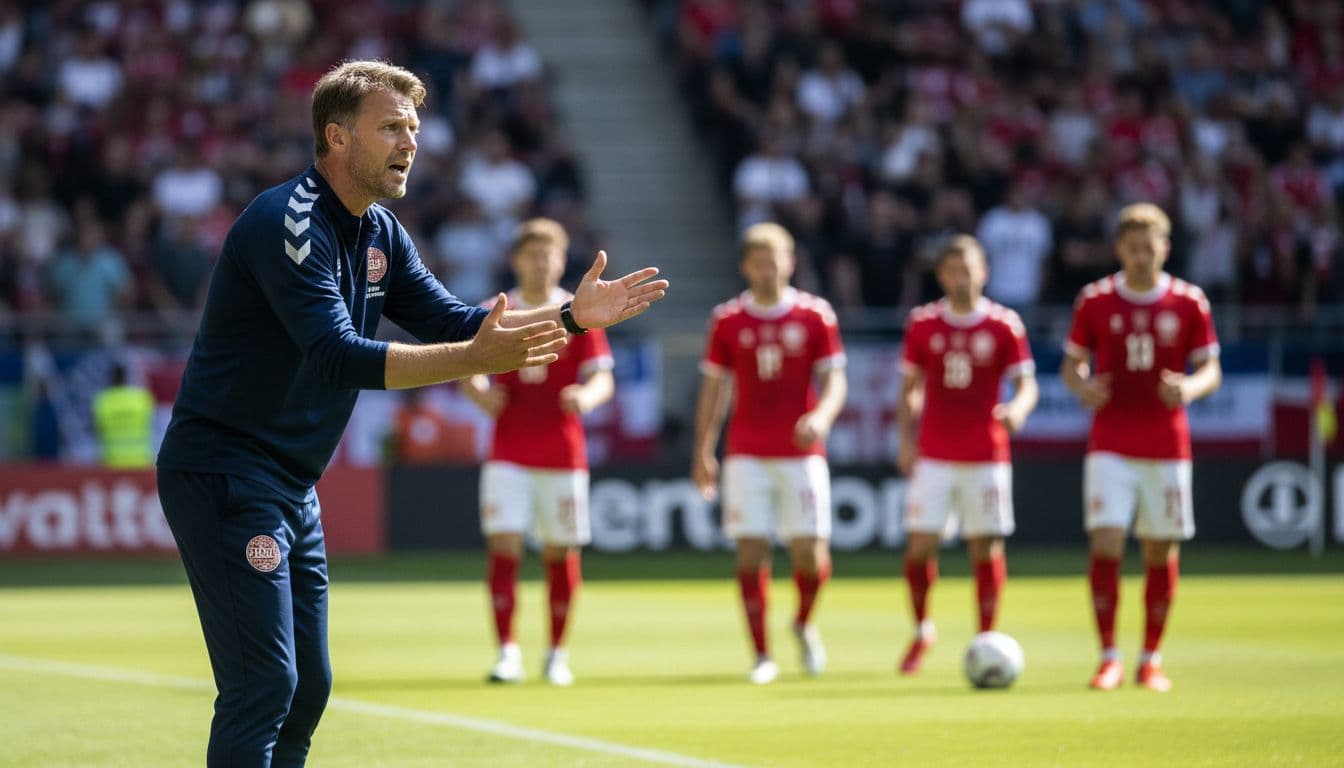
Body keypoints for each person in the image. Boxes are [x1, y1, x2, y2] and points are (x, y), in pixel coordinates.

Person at [154, 60, 667, 767]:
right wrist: (474, 360)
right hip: (225, 473)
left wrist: (573, 318)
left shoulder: (381, 233)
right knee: (264, 684)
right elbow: (337, 355)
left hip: (288, 485)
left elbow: (455, 321)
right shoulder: (289, 222)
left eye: (414, 128)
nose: (410, 141)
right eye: (391, 126)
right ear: (337, 137)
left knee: (309, 689)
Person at [1061, 202, 1221, 692]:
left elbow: (1210, 369)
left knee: (1159, 549)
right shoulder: (1095, 300)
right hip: (1110, 439)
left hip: (1167, 443)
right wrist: (1082, 387)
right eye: (1131, 248)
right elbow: (1072, 365)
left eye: (1148, 248)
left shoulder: (1188, 302)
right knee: (1106, 540)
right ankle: (1108, 656)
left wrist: (1190, 389)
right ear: (1119, 250)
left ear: (1164, 249)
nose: (1140, 257)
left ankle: (1150, 658)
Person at [460, 218, 614, 687]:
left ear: (561, 260)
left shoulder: (579, 310)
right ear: (517, 259)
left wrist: (586, 398)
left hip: (563, 452)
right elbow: (467, 361)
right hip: (509, 449)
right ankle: (507, 650)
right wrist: (479, 392)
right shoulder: (497, 308)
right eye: (532, 253)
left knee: (560, 549)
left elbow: (603, 376)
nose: (541, 261)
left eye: (549, 253)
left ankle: (556, 652)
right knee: (504, 544)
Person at [691, 222, 847, 685]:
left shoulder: (816, 315)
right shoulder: (728, 319)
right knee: (750, 551)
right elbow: (714, 390)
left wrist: (822, 418)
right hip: (747, 453)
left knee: (810, 556)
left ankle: (802, 621)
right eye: (759, 260)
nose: (768, 268)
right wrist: (703, 449)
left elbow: (835, 381)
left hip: (802, 453)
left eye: (776, 258)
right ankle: (762, 654)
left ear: (791, 261)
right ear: (745, 267)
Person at [893, 235, 1039, 675]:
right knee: (921, 545)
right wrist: (905, 438)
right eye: (953, 271)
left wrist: (1017, 409)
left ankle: (986, 636)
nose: (962, 278)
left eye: (970, 269)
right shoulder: (923, 323)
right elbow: (909, 387)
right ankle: (921, 630)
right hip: (935, 452)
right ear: (942, 276)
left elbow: (1026, 384)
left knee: (985, 545)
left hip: (986, 454)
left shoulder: (1004, 324)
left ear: (985, 272)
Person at [93, 360, 156, 468]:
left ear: (110, 379)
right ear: (126, 377)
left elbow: (97, 430)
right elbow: (151, 425)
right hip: (140, 459)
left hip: (111, 460)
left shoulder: (102, 400)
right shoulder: (142, 398)